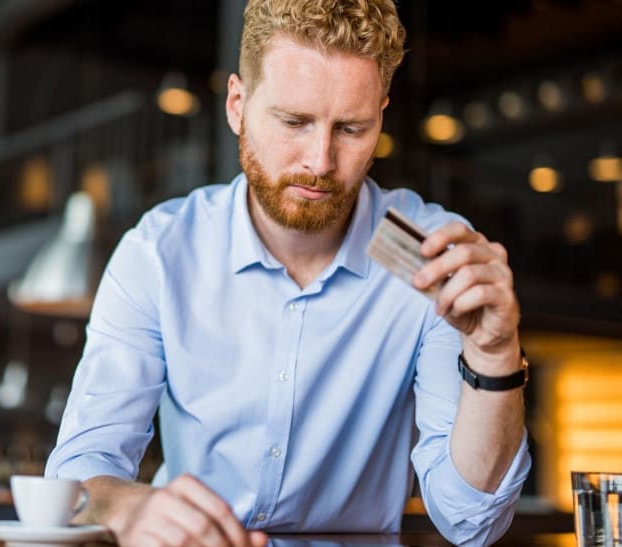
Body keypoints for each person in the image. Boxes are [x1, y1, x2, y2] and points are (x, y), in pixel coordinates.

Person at [45, 0, 531, 545]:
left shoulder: (430, 254)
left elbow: (471, 522)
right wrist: (129, 508)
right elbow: (79, 474)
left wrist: (494, 355)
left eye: (350, 128)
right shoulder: (161, 253)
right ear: (237, 104)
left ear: (381, 118)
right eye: (294, 122)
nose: (320, 161)